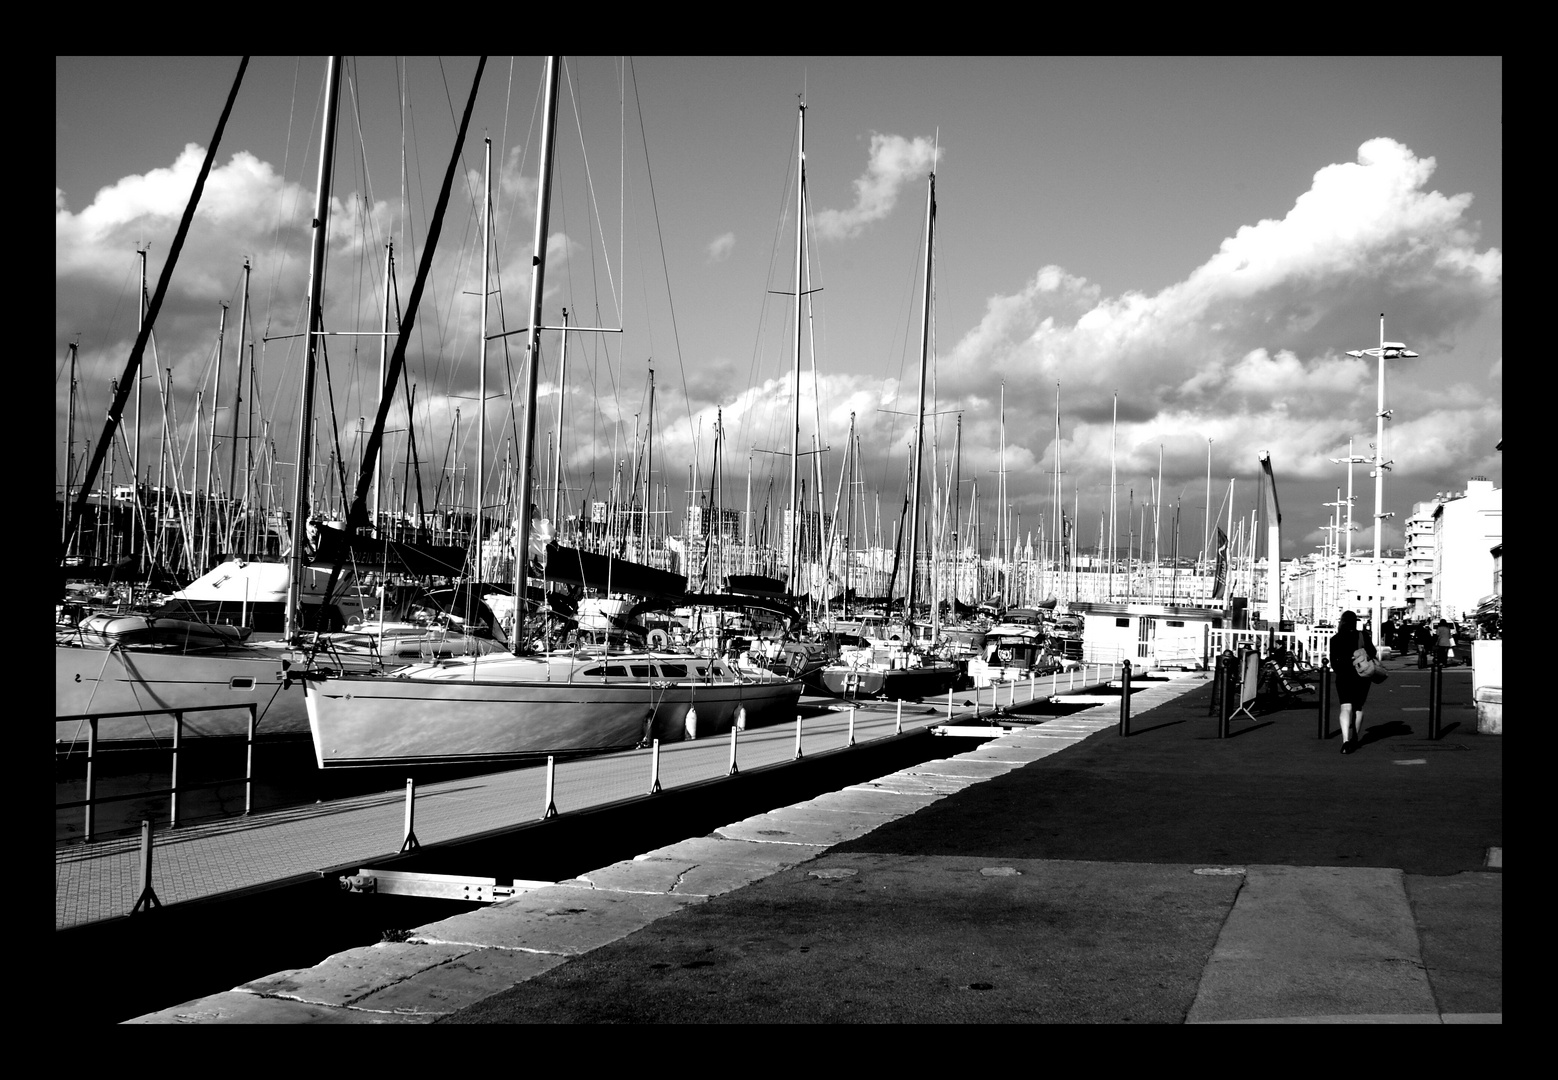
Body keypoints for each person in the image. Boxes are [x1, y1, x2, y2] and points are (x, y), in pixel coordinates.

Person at [1330, 609, 1376, 754]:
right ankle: (1355, 738)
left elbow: (1333, 663)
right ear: (1355, 622)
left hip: (1344, 675)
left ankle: (1345, 740)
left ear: (1342, 622)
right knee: (1358, 707)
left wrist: (1343, 666)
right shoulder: (1363, 635)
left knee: (1345, 707)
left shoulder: (1335, 639)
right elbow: (1373, 653)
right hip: (1361, 675)